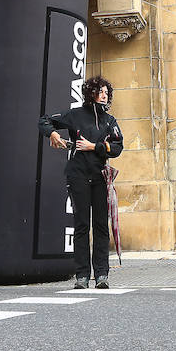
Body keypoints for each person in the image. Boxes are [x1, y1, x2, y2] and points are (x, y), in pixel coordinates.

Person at [40, 76, 124, 289]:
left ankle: (102, 274)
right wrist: (52, 134)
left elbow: (117, 147)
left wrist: (93, 146)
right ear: (90, 93)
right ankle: (82, 276)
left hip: (100, 178)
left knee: (100, 226)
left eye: (107, 92)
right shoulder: (75, 115)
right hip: (77, 176)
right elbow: (45, 120)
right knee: (81, 225)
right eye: (100, 91)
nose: (104, 95)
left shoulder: (109, 121)